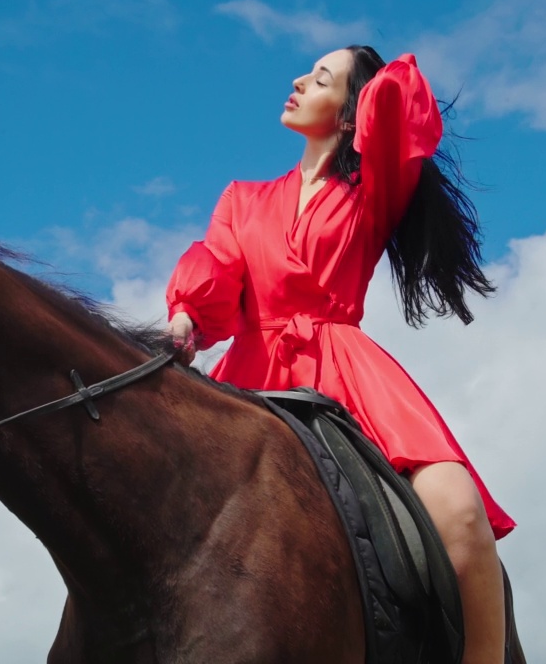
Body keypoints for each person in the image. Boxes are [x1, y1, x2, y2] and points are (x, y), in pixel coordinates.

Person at [164, 46, 515, 664]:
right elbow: (218, 266)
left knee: (459, 516)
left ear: (352, 114)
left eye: (319, 77)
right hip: (253, 372)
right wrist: (187, 316)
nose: (296, 80)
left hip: (346, 368)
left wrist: (366, 77)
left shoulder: (373, 188)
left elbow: (402, 105)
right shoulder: (243, 199)